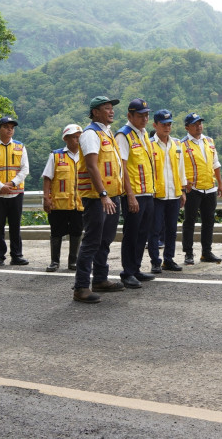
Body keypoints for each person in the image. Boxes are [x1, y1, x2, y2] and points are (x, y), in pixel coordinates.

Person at [72, 96, 126, 303]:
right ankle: (81, 287)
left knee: (105, 239)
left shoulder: (107, 133)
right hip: (97, 197)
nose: (111, 111)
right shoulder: (90, 134)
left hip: (112, 195)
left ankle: (100, 279)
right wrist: (103, 194)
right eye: (106, 108)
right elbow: (93, 166)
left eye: (112, 108)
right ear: (95, 112)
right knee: (92, 241)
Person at [115, 98, 158, 289]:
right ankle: (127, 272)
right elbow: (122, 168)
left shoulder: (142, 135)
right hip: (134, 194)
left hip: (147, 192)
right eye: (140, 115)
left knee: (143, 233)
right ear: (129, 116)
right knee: (131, 234)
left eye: (147, 114)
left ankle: (137, 268)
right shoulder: (124, 135)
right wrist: (130, 195)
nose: (145, 118)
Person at [0, 116, 29, 267]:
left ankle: (17, 255)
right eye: (6, 127)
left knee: (15, 225)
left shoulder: (20, 147)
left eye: (12, 127)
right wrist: (0, 186)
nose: (10, 130)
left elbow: (25, 169)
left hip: (16, 192)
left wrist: (12, 183)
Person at [180, 112, 222, 265]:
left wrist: (220, 183)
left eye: (200, 123)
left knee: (209, 221)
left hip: (210, 187)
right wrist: (182, 186)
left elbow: (215, 164)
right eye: (194, 124)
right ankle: (188, 253)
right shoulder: (182, 144)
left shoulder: (209, 141)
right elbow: (178, 168)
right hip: (193, 189)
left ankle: (206, 252)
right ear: (187, 127)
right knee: (190, 221)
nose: (198, 126)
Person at [41, 124, 84, 272]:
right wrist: (46, 198)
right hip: (58, 203)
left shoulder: (86, 156)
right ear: (66, 139)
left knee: (76, 232)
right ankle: (54, 261)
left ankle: (73, 261)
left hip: (79, 203)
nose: (78, 140)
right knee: (56, 232)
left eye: (79, 137)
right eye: (74, 137)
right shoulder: (56, 155)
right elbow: (47, 178)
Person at [148, 109, 186, 272]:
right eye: (163, 124)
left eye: (169, 124)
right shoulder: (149, 145)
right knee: (155, 229)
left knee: (171, 229)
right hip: (156, 194)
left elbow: (181, 168)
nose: (167, 127)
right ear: (155, 125)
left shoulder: (177, 144)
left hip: (174, 193)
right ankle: (155, 261)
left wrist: (183, 190)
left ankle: (168, 259)